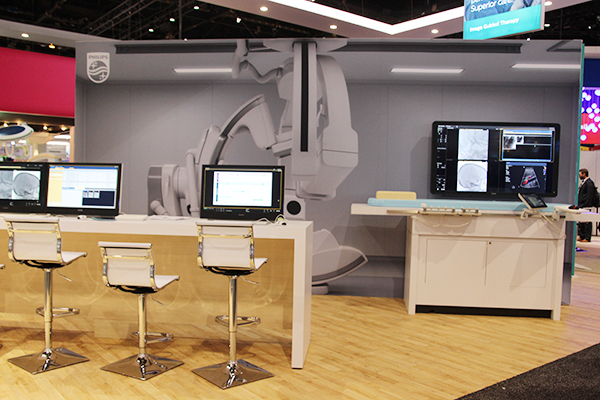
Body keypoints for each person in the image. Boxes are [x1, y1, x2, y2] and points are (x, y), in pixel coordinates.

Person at [577, 168, 596, 242]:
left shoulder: (589, 183)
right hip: (582, 204)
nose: (579, 176)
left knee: (587, 222)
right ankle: (582, 235)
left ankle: (587, 237)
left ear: (584, 174)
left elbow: (590, 195)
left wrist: (587, 203)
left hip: (586, 205)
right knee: (581, 221)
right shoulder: (583, 182)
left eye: (580, 174)